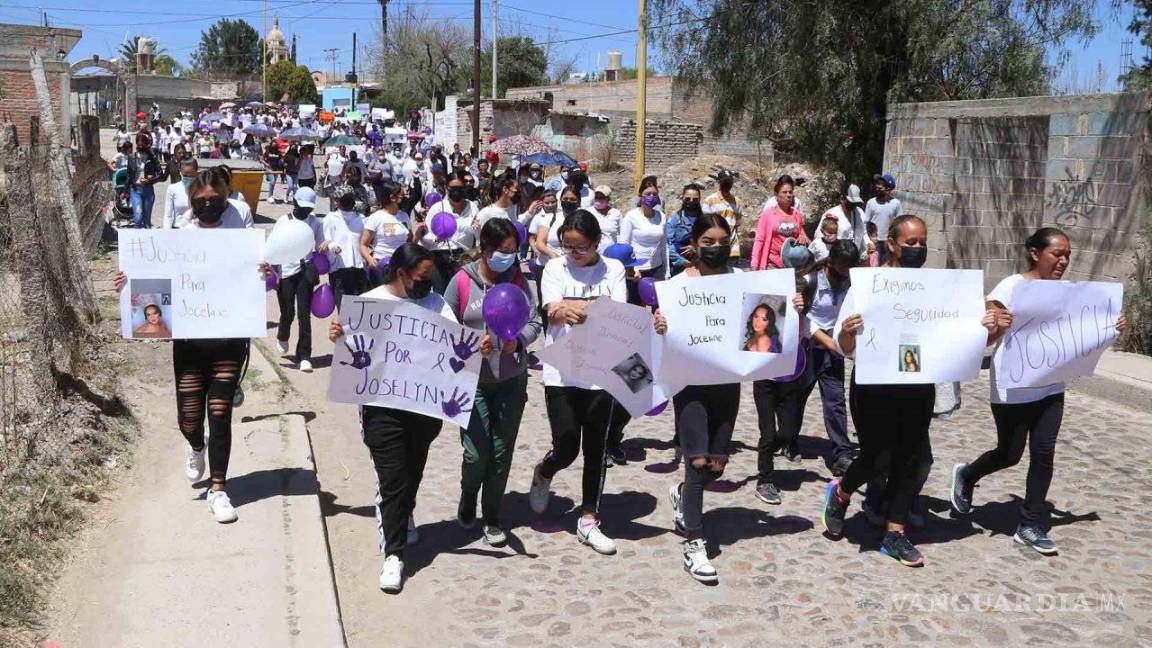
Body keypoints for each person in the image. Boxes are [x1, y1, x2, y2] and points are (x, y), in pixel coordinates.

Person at [823, 214, 998, 567]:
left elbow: (954, 333)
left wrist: (982, 328)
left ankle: (895, 533)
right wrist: (849, 331)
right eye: (910, 243)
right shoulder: (868, 284)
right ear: (891, 243)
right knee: (876, 458)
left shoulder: (936, 290)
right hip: (874, 384)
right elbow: (844, 346)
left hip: (917, 384)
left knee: (911, 457)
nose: (917, 249)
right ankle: (841, 494)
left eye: (922, 243)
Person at [950, 227, 1126, 555]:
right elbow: (987, 339)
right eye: (1056, 254)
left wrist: (1108, 330)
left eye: (1067, 256)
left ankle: (1029, 524)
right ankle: (968, 475)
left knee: (1044, 452)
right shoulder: (1011, 287)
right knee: (1009, 454)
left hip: (1051, 385)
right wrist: (994, 324)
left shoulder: (1070, 293)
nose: (1063, 261)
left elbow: (1081, 331)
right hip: (1013, 386)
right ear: (1035, 253)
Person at [113, 169, 262, 524]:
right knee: (190, 419)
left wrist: (264, 275)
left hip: (229, 340)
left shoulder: (241, 238)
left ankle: (219, 490)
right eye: (201, 201)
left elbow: (255, 284)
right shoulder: (179, 239)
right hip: (190, 345)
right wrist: (127, 280)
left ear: (227, 198)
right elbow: (154, 285)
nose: (209, 206)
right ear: (191, 202)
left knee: (221, 414)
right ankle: (197, 445)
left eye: (216, 200)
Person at [328, 244, 454, 593]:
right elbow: (354, 352)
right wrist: (341, 339)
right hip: (381, 408)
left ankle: (403, 512)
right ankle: (394, 556)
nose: (427, 285)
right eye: (421, 279)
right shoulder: (371, 303)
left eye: (430, 279)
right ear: (401, 273)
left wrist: (477, 349)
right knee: (393, 477)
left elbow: (456, 343)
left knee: (412, 473)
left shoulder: (436, 304)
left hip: (423, 409)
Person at [528, 210, 627, 555]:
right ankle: (545, 470)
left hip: (602, 370)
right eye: (568, 247)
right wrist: (561, 310)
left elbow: (619, 310)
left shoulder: (613, 269)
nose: (573, 253)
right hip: (563, 370)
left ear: (597, 242)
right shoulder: (555, 268)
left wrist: (581, 307)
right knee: (567, 444)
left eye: (580, 247)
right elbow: (549, 307)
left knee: (596, 448)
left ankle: (589, 517)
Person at [653, 213, 742, 583]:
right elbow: (663, 343)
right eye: (708, 241)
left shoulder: (741, 282)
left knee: (717, 465)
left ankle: (682, 494)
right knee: (697, 462)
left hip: (727, 384)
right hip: (690, 385)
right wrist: (660, 326)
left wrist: (792, 307)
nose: (716, 247)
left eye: (723, 240)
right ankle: (694, 542)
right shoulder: (676, 286)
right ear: (695, 243)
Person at [444, 219, 541, 547]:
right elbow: (443, 328)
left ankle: (493, 514)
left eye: (514, 251)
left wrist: (520, 341)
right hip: (471, 383)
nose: (509, 257)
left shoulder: (519, 280)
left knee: (501, 453)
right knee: (476, 454)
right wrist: (470, 344)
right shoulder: (461, 282)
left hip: (511, 381)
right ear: (485, 249)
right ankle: (468, 493)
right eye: (503, 251)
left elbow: (534, 319)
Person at [799, 240, 858, 476]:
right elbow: (801, 318)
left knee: (835, 401)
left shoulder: (852, 285)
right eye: (842, 267)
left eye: (849, 268)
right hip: (808, 349)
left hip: (835, 350)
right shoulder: (809, 281)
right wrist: (827, 341)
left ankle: (841, 453)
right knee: (796, 398)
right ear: (831, 262)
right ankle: (788, 438)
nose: (844, 273)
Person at [275, 187, 324, 372]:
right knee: (287, 311)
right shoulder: (283, 221)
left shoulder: (315, 223)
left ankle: (304, 355)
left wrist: (328, 246)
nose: (306, 211)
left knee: (304, 314)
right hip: (286, 271)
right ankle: (283, 333)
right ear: (295, 203)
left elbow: (320, 245)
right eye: (303, 207)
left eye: (309, 208)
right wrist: (276, 273)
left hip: (305, 270)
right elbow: (274, 246)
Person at [418, 172, 479, 294]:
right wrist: (436, 238)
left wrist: (477, 229)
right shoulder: (437, 208)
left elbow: (478, 236)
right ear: (446, 188)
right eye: (453, 188)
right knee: (442, 292)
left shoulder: (472, 207)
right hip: (440, 256)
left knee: (463, 292)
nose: (457, 192)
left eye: (460, 188)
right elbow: (424, 235)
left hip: (464, 256)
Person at [323, 184, 369, 309]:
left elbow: (366, 242)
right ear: (337, 201)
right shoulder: (330, 218)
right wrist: (332, 246)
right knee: (343, 310)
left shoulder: (362, 219)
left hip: (359, 269)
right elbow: (326, 240)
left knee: (359, 309)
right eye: (343, 199)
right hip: (339, 270)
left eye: (350, 199)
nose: (347, 202)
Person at [620, 179, 670, 291]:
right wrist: (633, 269)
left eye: (654, 194)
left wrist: (666, 271)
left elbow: (664, 245)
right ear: (640, 195)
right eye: (648, 194)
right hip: (638, 271)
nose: (651, 197)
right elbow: (624, 245)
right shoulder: (631, 216)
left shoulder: (661, 216)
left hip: (657, 268)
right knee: (636, 306)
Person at [359, 180, 412, 286]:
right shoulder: (376, 217)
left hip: (402, 265)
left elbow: (410, 240)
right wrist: (370, 260)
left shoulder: (404, 216)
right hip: (382, 265)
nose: (404, 198)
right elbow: (363, 245)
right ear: (392, 197)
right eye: (402, 196)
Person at [751, 176, 809, 270]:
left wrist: (802, 238)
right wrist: (754, 264)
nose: (788, 195)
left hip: (792, 266)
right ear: (776, 195)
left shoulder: (797, 215)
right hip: (771, 265)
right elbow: (759, 240)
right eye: (784, 192)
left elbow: (802, 235)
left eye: (790, 192)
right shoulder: (768, 214)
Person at [701, 169, 743, 264]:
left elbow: (736, 226)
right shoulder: (709, 201)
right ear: (719, 182)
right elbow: (706, 227)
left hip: (733, 251)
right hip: (716, 249)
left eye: (729, 182)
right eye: (724, 182)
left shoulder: (737, 203)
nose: (727, 184)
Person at [665, 184, 705, 276]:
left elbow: (710, 244)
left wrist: (696, 248)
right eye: (688, 199)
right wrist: (682, 261)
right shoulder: (675, 219)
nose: (691, 202)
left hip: (700, 265)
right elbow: (668, 244)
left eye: (695, 199)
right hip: (679, 268)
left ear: (699, 200)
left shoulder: (704, 220)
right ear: (682, 198)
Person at [822, 184, 868, 259]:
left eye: (855, 203)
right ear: (843, 198)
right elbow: (820, 236)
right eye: (850, 202)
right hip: (837, 258)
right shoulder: (831, 213)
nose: (853, 205)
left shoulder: (860, 213)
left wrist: (868, 243)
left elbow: (864, 233)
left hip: (854, 257)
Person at [864, 174, 901, 264]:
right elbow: (865, 223)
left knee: (885, 266)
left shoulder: (896, 203)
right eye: (877, 187)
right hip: (874, 242)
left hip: (888, 242)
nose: (877, 189)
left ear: (888, 189)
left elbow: (899, 222)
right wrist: (868, 241)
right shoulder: (871, 203)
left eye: (880, 188)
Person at [128, 146, 163, 229]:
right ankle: (135, 240)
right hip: (135, 190)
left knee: (147, 222)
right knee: (138, 219)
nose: (140, 144)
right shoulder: (132, 157)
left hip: (148, 191)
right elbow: (129, 174)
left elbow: (161, 175)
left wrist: (150, 180)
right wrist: (124, 191)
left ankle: (146, 240)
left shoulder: (152, 157)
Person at [162, 158, 198, 229]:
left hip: (196, 230)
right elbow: (168, 215)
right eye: (185, 174)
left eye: (191, 175)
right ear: (180, 171)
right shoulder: (172, 188)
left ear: (196, 172)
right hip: (177, 228)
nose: (188, 177)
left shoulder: (201, 189)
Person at [590, 185, 621, 251]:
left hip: (612, 252)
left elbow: (621, 233)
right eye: (596, 197)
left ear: (608, 199)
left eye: (602, 197)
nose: (598, 200)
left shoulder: (616, 213)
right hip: (594, 253)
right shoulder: (588, 213)